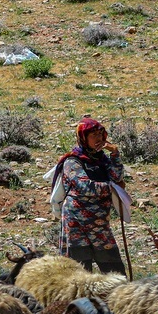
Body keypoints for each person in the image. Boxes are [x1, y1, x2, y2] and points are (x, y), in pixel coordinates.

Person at [52, 117, 128, 275]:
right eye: (93, 135)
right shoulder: (72, 161)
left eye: (100, 134)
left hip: (100, 224)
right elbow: (85, 187)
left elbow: (117, 176)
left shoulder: (101, 159)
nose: (99, 138)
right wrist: (113, 188)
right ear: (83, 138)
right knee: (79, 274)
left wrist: (114, 153)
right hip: (77, 225)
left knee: (114, 271)